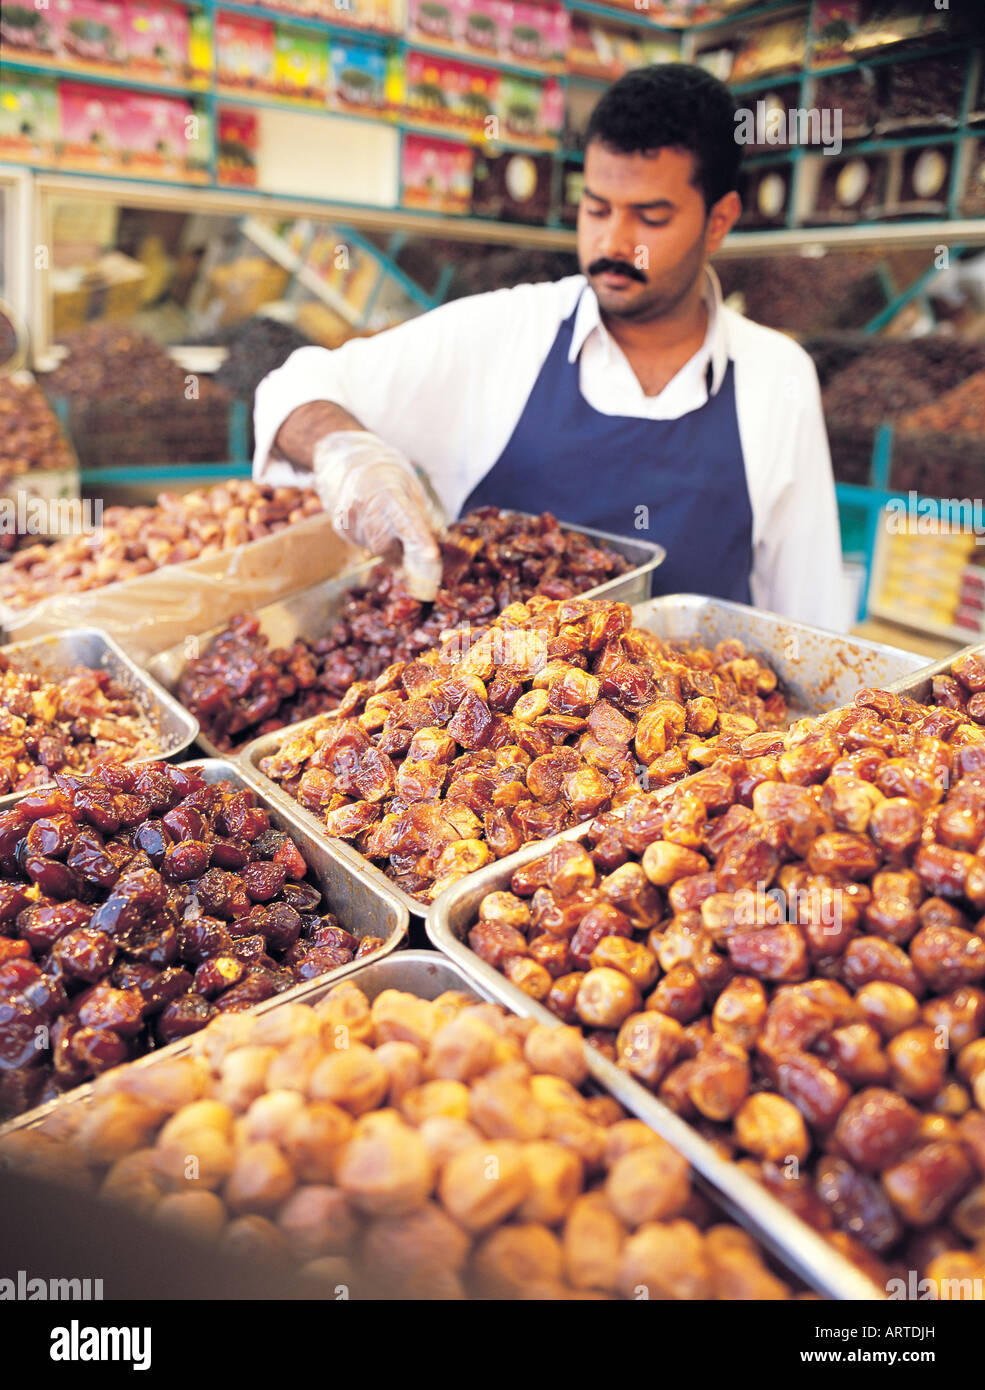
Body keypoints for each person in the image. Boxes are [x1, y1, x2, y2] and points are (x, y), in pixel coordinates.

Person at [254, 63, 843, 628]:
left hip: (712, 723)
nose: (613, 242)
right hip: (496, 723)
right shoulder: (508, 332)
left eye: (651, 217)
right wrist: (345, 455)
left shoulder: (776, 375)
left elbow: (807, 611)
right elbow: (295, 387)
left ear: (719, 220)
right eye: (596, 208)